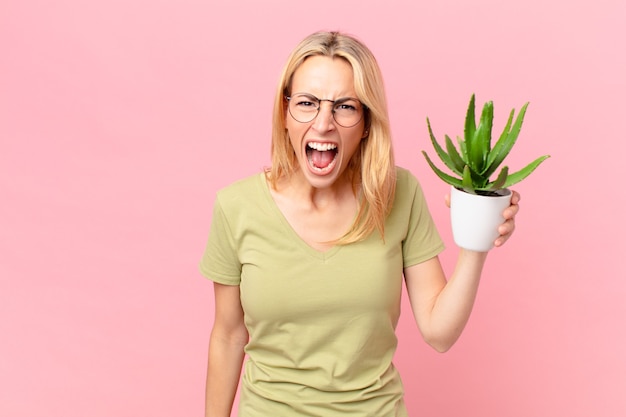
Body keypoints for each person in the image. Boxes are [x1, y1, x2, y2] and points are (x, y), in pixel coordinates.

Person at [199, 31, 520, 417]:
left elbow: (439, 333)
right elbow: (229, 335)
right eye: (306, 103)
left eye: (345, 107)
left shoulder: (399, 193)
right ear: (285, 114)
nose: (323, 124)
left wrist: (475, 242)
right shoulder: (236, 207)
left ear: (366, 122)